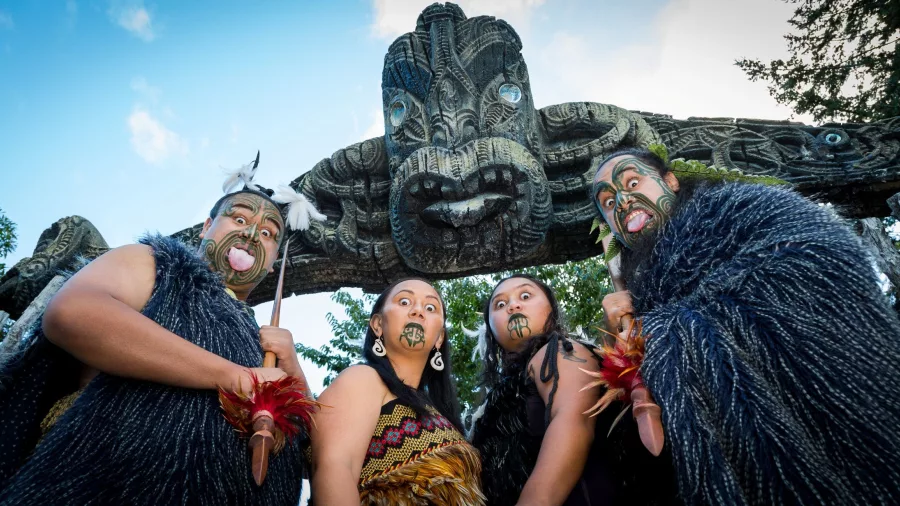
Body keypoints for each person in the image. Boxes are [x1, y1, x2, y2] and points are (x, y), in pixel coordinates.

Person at [591, 147, 900, 505]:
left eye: (632, 181)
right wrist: (627, 346)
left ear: (671, 181)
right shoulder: (639, 292)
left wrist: (662, 329)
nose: (624, 201)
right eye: (609, 204)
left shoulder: (742, 209)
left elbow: (819, 258)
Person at [0, 163, 317, 505]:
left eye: (268, 233)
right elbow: (73, 313)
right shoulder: (160, 266)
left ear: (272, 263)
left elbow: (316, 459)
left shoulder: (269, 346)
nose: (251, 235)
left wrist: (295, 373)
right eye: (238, 219)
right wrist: (235, 377)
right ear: (207, 227)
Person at [469, 274, 677, 506]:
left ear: (552, 310)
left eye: (525, 295)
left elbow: (574, 420)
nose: (513, 305)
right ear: (490, 330)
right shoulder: (497, 398)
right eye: (500, 304)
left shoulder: (560, 350)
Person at [310, 278, 484, 506]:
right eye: (404, 301)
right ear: (377, 325)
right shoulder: (362, 378)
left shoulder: (441, 414)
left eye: (430, 307)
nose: (418, 312)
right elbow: (334, 469)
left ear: (440, 337)